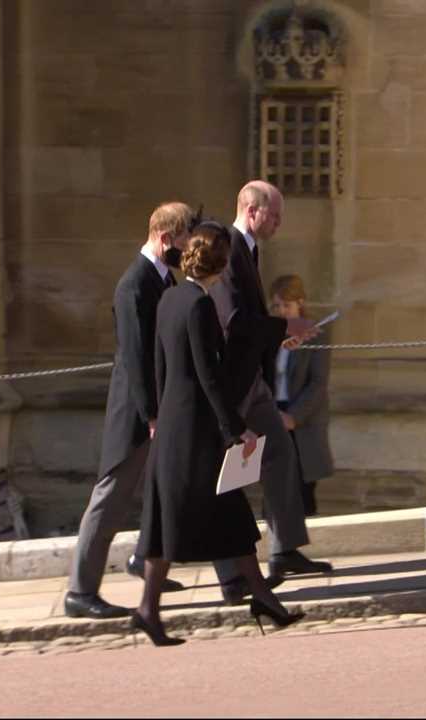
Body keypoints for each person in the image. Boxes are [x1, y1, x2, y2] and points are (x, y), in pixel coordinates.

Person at [132, 221, 305, 646]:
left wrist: (155, 417)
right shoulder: (198, 306)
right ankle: (151, 609)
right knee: (196, 514)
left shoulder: (171, 298)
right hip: (195, 429)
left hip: (175, 423)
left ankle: (256, 598)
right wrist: (235, 429)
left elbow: (160, 367)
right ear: (221, 264)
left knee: (208, 514)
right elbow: (208, 375)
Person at [64, 202, 193, 620]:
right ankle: (80, 591)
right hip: (137, 413)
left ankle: (144, 559)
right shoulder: (134, 285)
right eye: (185, 243)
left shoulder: (162, 279)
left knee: (160, 492)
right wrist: (153, 415)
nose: (188, 252)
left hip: (157, 409)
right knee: (109, 499)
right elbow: (136, 359)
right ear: (165, 238)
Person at [208, 180, 333, 605]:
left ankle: (284, 550)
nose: (278, 223)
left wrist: (279, 338)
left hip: (253, 381)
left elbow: (251, 325)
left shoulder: (252, 249)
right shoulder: (227, 248)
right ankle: (232, 574)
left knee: (281, 453)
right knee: (232, 477)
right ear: (250, 209)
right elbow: (233, 321)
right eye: (273, 215)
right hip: (233, 386)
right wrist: (284, 327)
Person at [269, 275, 335, 517]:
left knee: (302, 488)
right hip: (274, 412)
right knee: (275, 485)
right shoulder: (272, 332)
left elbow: (318, 384)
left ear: (300, 303)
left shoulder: (315, 334)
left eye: (287, 305)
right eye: (277, 306)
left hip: (301, 418)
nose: (282, 311)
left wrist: (293, 417)